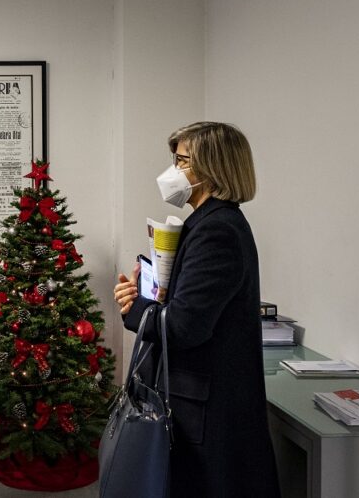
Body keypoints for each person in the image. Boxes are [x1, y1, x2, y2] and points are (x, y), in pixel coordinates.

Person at [113, 121, 279, 497]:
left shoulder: (217, 231)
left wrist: (134, 309)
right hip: (197, 399)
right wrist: (153, 292)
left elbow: (185, 327)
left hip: (205, 408)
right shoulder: (208, 223)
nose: (172, 170)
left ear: (211, 167)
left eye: (181, 161)